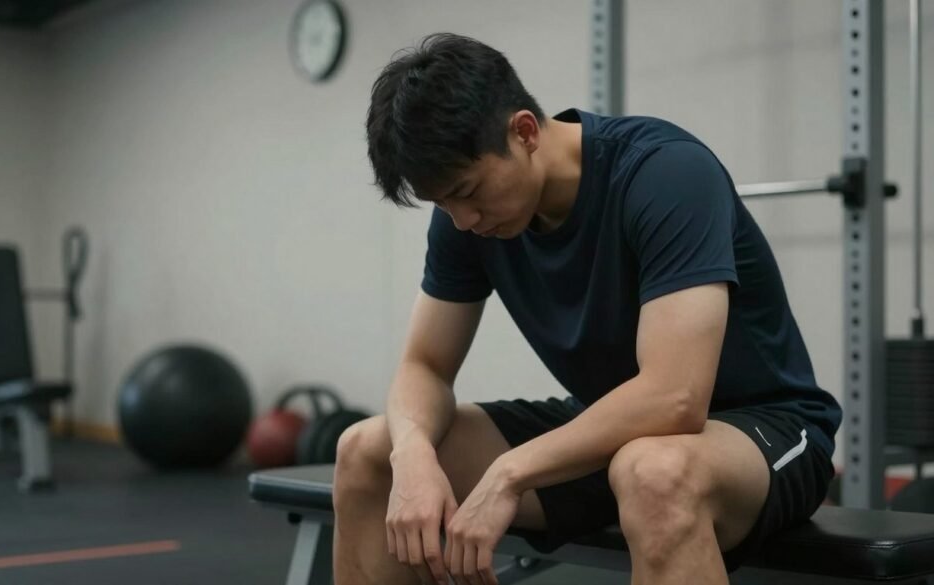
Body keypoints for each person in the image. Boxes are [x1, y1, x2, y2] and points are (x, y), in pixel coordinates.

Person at [333, 33, 841, 585]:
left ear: (524, 131)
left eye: (468, 191)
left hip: (761, 432)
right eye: (444, 204)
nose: (463, 220)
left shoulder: (665, 173)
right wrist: (411, 458)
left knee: (653, 472)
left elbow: (675, 398)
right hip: (612, 432)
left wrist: (509, 473)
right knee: (367, 451)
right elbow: (425, 366)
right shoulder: (465, 220)